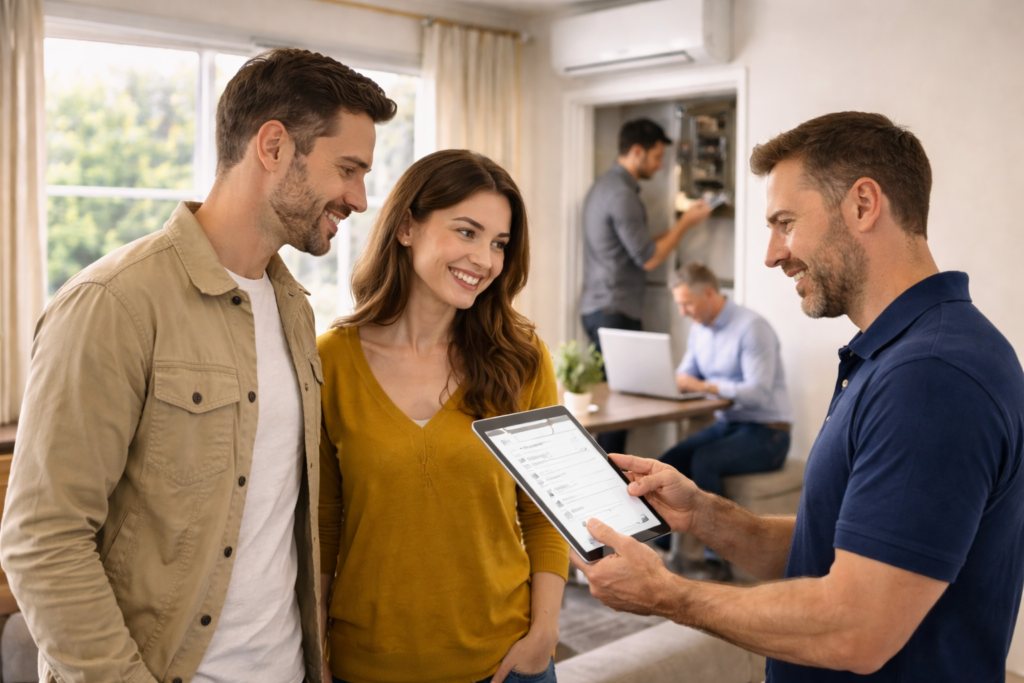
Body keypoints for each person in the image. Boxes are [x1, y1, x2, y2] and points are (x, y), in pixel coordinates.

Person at [571, 112, 1024, 681]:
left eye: (785, 222)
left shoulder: (929, 377)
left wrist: (669, 595)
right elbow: (832, 549)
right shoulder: (904, 353)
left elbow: (856, 627)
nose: (771, 253)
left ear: (863, 204)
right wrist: (705, 515)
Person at [0, 48, 396, 683]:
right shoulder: (112, 304)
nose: (360, 197)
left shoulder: (293, 307)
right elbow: (43, 542)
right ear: (273, 146)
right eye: (348, 169)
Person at [317, 149, 569, 683]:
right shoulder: (330, 361)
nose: (485, 259)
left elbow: (546, 510)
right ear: (407, 227)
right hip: (365, 665)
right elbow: (323, 523)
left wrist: (543, 636)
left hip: (506, 664)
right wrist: (314, 642)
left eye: (499, 243)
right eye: (467, 232)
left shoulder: (520, 359)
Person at [580, 118, 713, 454]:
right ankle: (612, 487)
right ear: (636, 152)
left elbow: (636, 244)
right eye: (656, 157)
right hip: (615, 310)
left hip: (599, 308)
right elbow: (649, 258)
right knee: (620, 410)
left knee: (613, 406)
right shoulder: (623, 195)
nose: (659, 165)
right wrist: (685, 223)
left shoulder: (603, 188)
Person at [656, 262, 792, 578]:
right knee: (669, 460)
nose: (682, 312)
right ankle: (659, 543)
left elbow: (758, 392)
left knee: (705, 461)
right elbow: (686, 374)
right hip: (727, 426)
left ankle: (715, 560)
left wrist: (703, 386)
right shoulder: (699, 330)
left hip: (768, 433)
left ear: (708, 293)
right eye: (679, 304)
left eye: (686, 303)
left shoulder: (751, 327)